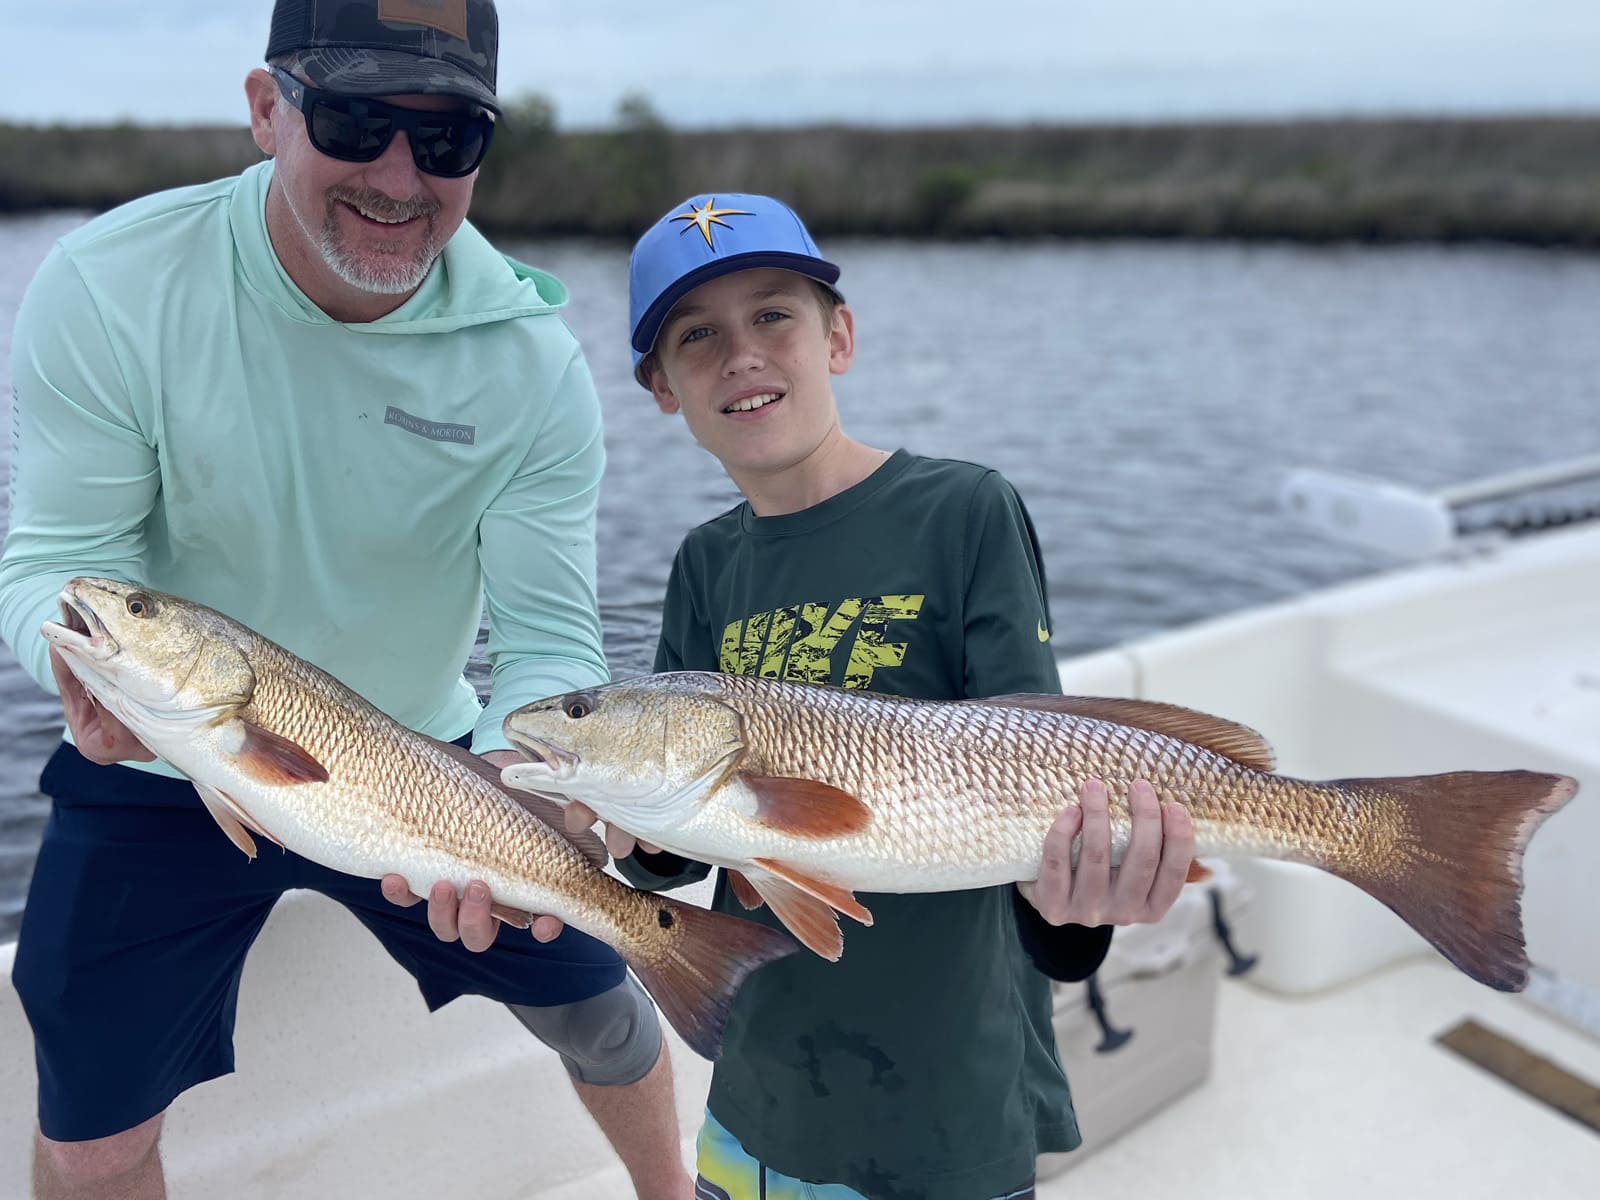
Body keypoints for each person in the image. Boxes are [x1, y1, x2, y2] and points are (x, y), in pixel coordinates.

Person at [0, 3, 692, 1198]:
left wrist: (535, 791)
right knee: (89, 1135)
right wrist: (69, 670)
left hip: (427, 758)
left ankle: (670, 1191)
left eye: (448, 138)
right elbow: (59, 561)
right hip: (160, 757)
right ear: (267, 110)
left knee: (600, 1013)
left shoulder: (530, 362)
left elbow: (546, 636)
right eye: (356, 121)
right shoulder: (113, 285)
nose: (398, 176)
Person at [433, 193, 1199, 1199]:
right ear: (660, 388)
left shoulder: (963, 511)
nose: (740, 355)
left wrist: (1079, 913)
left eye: (773, 316)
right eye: (696, 336)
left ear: (838, 337)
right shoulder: (704, 563)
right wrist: (616, 822)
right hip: (758, 1088)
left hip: (951, 1100)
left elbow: (1039, 768)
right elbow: (684, 849)